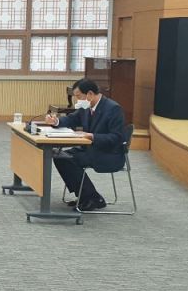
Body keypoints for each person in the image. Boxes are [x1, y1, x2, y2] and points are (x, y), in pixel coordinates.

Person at [43, 78, 126, 212]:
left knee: (70, 160)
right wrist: (56, 121)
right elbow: (71, 119)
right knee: (59, 156)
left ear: (90, 94)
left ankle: (93, 198)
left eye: (78, 96)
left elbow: (117, 137)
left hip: (109, 153)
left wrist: (92, 136)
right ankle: (85, 196)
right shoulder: (86, 107)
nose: (77, 100)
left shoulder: (113, 109)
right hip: (90, 149)